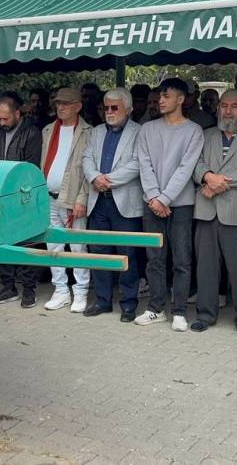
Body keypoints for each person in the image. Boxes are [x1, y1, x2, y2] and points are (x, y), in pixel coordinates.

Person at [190, 90, 237, 338]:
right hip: (207, 211)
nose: (228, 111)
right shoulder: (205, 135)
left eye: (235, 106)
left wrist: (217, 182)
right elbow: (195, 163)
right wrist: (207, 177)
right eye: (224, 105)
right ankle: (205, 314)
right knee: (206, 267)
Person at [134, 78, 204, 330]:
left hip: (181, 204)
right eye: (159, 96)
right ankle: (155, 308)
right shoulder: (148, 129)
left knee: (182, 259)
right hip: (151, 202)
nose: (160, 101)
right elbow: (144, 164)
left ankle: (179, 311)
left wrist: (163, 199)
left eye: (166, 96)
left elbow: (186, 169)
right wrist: (154, 197)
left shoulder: (194, 131)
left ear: (181, 99)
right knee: (154, 258)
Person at [81, 88, 145, 322]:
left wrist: (108, 180)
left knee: (126, 253)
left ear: (128, 109)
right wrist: (94, 177)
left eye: (114, 108)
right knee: (99, 252)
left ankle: (128, 304)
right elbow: (86, 158)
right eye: (106, 107)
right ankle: (102, 301)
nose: (109, 112)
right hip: (98, 201)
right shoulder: (97, 131)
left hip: (123, 202)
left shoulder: (140, 132)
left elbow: (138, 163)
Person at [0, 96, 43, 307]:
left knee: (27, 243)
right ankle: (8, 287)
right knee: (3, 241)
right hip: (0, 197)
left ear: (17, 114)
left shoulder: (32, 133)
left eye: (6, 119)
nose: (2, 123)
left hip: (23, 197)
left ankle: (28, 289)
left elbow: (31, 167)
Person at [39, 87, 93, 313]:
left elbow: (89, 170)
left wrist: (82, 198)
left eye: (66, 104)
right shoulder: (48, 129)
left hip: (73, 199)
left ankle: (80, 292)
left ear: (78, 106)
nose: (60, 107)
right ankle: (61, 290)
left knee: (78, 246)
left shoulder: (88, 132)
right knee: (54, 246)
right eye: (58, 103)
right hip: (49, 197)